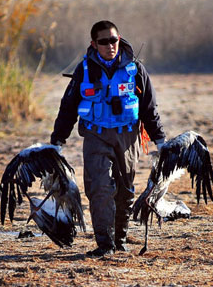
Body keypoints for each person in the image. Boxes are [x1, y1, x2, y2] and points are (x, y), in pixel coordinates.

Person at [50, 20, 167, 257]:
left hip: (128, 138)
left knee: (125, 191)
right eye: (103, 42)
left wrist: (160, 140)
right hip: (95, 136)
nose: (110, 46)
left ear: (119, 38)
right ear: (94, 44)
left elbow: (149, 108)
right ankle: (104, 245)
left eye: (113, 40)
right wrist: (57, 141)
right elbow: (68, 107)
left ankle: (119, 242)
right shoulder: (83, 71)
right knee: (100, 189)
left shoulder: (135, 69)